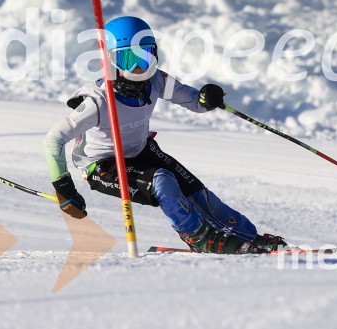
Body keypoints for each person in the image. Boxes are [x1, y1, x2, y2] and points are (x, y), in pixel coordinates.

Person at [44, 15, 286, 254]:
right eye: (129, 58)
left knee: (195, 191)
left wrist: (207, 97)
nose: (139, 67)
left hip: (140, 151)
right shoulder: (98, 101)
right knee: (162, 181)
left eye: (146, 55)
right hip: (103, 165)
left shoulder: (156, 81)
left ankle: (247, 236)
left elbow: (195, 102)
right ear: (110, 60)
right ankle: (200, 237)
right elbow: (54, 139)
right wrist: (63, 187)